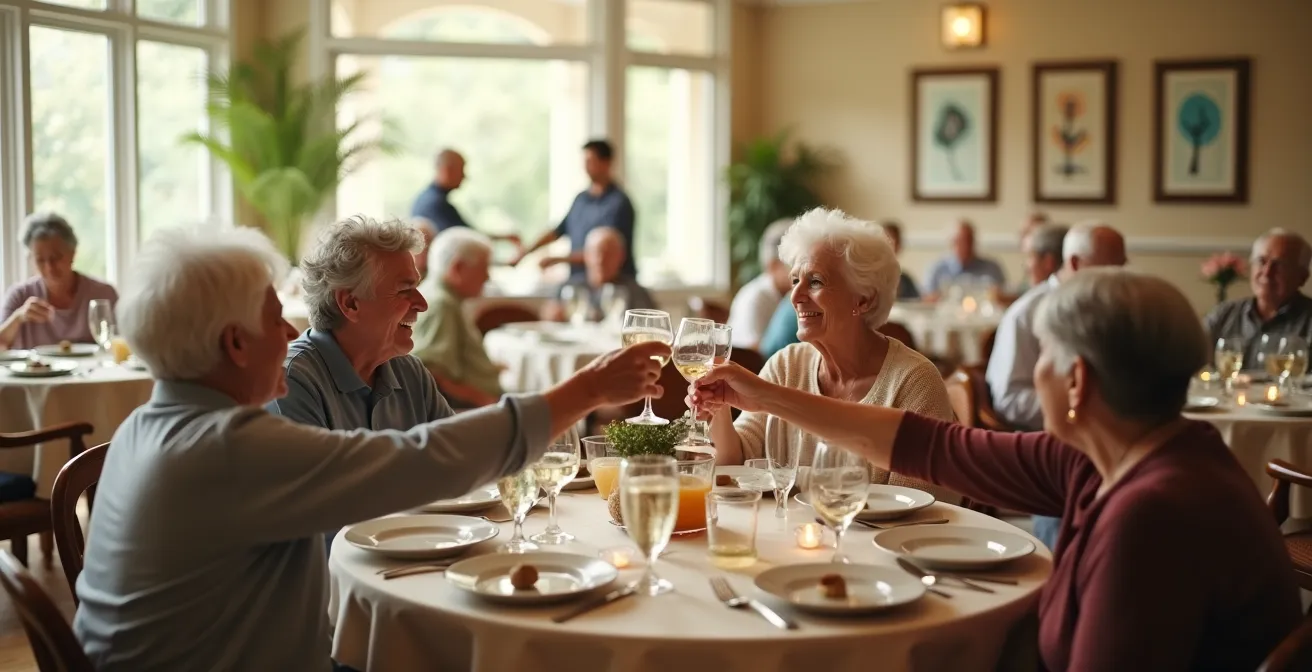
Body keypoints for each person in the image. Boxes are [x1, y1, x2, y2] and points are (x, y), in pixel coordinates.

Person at [74, 225, 667, 671]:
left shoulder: (149, 426)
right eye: (277, 318)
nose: (290, 334)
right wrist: (586, 389)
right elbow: (420, 460)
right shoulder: (225, 447)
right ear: (234, 342)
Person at [693, 269, 1301, 671]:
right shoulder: (1119, 456)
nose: (1032, 372)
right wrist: (766, 395)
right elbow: (933, 446)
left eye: (1043, 357)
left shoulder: (1152, 517)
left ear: (1077, 381)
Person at [695, 208, 956, 501]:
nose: (795, 296)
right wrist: (718, 409)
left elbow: (918, 504)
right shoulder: (786, 365)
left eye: (815, 281)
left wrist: (791, 479)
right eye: (795, 281)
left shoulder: (913, 382)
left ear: (864, 299)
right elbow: (736, 464)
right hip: (786, 542)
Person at [986, 222, 1125, 550]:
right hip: (1052, 442)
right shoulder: (1027, 313)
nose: (1120, 276)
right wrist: (1083, 408)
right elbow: (1008, 399)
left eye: (1123, 266)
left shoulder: (1114, 308)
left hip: (1114, 441)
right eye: (1112, 267)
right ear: (1075, 264)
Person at [513, 140, 636, 282]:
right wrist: (526, 252)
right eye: (584, 161)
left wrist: (558, 259)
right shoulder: (581, 199)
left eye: (590, 161)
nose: (585, 167)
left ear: (606, 163)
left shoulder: (618, 204)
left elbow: (604, 253)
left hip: (613, 285)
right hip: (580, 281)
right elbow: (558, 231)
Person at [411, 227, 504, 408]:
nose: (487, 276)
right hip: (467, 411)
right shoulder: (442, 304)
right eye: (484, 268)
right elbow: (431, 374)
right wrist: (488, 402)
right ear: (458, 268)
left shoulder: (444, 298)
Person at [0, 212, 118, 350]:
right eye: (40, 260)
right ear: (30, 260)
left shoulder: (103, 293)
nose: (49, 267)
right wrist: (18, 317)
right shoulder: (20, 295)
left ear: (73, 253)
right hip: (38, 371)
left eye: (56, 257)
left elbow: (124, 343)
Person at [1204, 228, 1312, 365]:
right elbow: (1191, 363)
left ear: (1302, 277)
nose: (1267, 272)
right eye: (1261, 261)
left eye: (1279, 265)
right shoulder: (1223, 315)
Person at [540, 226, 656, 322]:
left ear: (621, 257)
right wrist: (552, 314)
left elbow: (652, 326)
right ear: (586, 255)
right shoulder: (570, 287)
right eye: (596, 253)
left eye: (608, 254)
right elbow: (547, 315)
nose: (601, 260)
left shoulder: (634, 291)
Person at [410, 148, 520, 244]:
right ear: (447, 170)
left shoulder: (427, 199)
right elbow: (467, 238)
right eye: (462, 170)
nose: (464, 176)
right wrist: (505, 238)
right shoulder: (436, 204)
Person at [727, 218, 793, 348]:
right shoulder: (756, 297)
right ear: (773, 266)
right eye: (793, 262)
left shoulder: (788, 296)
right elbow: (754, 352)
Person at [922, 219, 1007, 299]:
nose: (966, 246)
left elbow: (1005, 297)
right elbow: (926, 299)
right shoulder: (937, 269)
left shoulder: (992, 268)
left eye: (969, 241)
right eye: (961, 241)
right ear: (952, 243)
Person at [879, 220, 921, 300]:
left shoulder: (906, 280)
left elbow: (917, 302)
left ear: (899, 246)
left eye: (894, 242)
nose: (890, 247)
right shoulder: (867, 279)